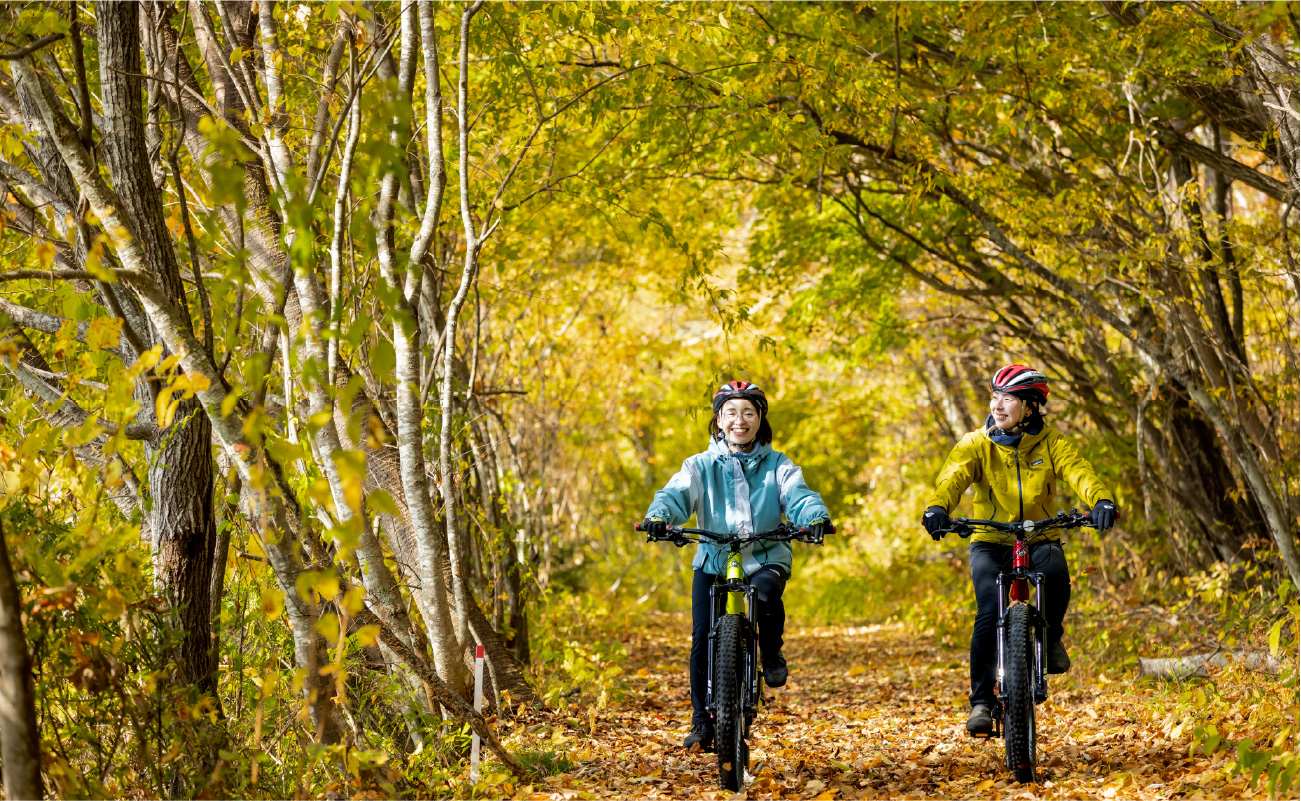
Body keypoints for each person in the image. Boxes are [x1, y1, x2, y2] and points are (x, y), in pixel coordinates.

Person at [921, 364, 1117, 736]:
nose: (998, 405)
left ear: (1029, 407)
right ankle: (981, 701)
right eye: (995, 396)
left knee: (1056, 575)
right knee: (987, 609)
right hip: (990, 540)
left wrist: (1102, 500)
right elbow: (953, 477)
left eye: (1008, 398)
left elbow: (1080, 472)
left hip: (1039, 536)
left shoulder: (1052, 443)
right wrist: (938, 508)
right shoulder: (975, 443)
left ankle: (1051, 634)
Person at [642, 380, 833, 752]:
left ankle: (771, 649)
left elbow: (799, 495)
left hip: (764, 555)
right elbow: (676, 492)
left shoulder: (779, 464)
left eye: (748, 412)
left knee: (764, 594)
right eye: (731, 413)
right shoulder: (699, 465)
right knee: (702, 639)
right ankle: (702, 722)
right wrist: (658, 516)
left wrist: (815, 516)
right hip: (714, 558)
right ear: (718, 420)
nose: (739, 420)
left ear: (760, 419)